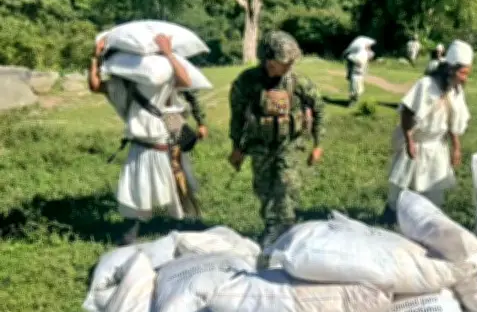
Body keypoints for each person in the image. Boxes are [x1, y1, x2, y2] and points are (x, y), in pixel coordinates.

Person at [88, 34, 207, 244]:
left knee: (176, 185)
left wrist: (168, 53)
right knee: (137, 190)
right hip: (142, 145)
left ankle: (180, 227)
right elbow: (96, 86)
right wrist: (95, 58)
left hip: (167, 141)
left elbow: (186, 81)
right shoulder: (125, 84)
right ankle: (133, 234)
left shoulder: (161, 76)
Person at [228, 31, 325, 245]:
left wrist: (318, 144)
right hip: (260, 146)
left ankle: (289, 228)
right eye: (286, 61)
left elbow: (319, 109)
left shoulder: (298, 83)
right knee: (264, 189)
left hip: (289, 145)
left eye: (292, 61)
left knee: (287, 185)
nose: (291, 65)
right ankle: (272, 227)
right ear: (269, 61)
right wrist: (237, 147)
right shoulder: (247, 82)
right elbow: (237, 116)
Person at [387, 40, 473, 211]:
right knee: (404, 190)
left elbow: (453, 122)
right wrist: (409, 141)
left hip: (436, 146)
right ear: (451, 69)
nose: (465, 78)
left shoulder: (456, 91)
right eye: (462, 73)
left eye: (467, 74)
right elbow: (407, 112)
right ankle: (391, 218)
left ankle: (425, 221)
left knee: (433, 191)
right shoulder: (426, 85)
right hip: (417, 143)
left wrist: (456, 147)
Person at [344, 36, 375, 107]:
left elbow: (371, 56)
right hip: (354, 73)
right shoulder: (354, 54)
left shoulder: (366, 53)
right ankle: (352, 102)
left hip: (361, 74)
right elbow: (348, 57)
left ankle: (355, 100)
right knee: (354, 88)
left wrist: (368, 50)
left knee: (359, 89)